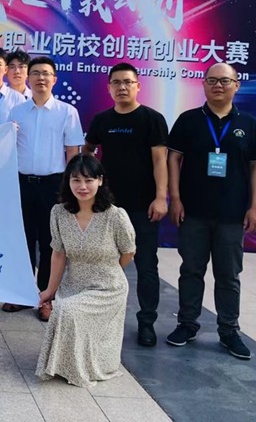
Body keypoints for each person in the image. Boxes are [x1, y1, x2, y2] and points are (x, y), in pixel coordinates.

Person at [166, 63, 256, 360]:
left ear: (237, 85)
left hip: (232, 215)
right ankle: (187, 324)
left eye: (225, 80)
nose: (218, 85)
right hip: (193, 212)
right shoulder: (188, 120)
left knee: (228, 275)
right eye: (212, 80)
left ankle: (229, 331)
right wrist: (175, 198)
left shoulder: (249, 124)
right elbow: (173, 160)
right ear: (203, 85)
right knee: (191, 270)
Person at [84, 62, 168, 347]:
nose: (122, 87)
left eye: (127, 82)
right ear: (109, 87)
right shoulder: (102, 120)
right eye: (116, 82)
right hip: (106, 207)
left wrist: (161, 197)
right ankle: (98, 317)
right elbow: (88, 151)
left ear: (137, 86)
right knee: (101, 263)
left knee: (146, 266)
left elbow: (160, 161)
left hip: (144, 206)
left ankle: (147, 323)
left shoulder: (152, 119)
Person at [36, 154, 136, 388]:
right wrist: (50, 290)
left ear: (100, 181)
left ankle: (84, 365)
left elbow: (129, 252)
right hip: (73, 284)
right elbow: (58, 253)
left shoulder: (115, 216)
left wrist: (108, 271)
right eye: (76, 180)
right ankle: (64, 364)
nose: (82, 186)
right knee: (65, 307)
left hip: (107, 288)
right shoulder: (59, 213)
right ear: (68, 182)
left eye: (89, 180)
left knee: (68, 310)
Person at [5, 56, 82, 318]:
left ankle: (46, 297)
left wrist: (70, 189)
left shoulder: (67, 112)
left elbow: (72, 153)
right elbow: (8, 148)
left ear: (54, 79)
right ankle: (22, 294)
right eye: (35, 73)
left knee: (50, 242)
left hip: (54, 185)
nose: (40, 78)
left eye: (46, 73)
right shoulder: (17, 112)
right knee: (22, 239)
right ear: (28, 78)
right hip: (22, 183)